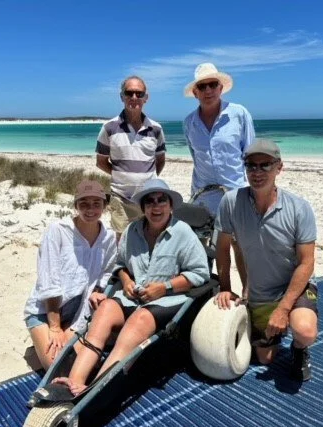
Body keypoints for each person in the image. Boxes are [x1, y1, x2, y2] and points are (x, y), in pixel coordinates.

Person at [54, 178, 210, 395]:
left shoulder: (183, 233)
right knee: (106, 308)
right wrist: (126, 281)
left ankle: (96, 388)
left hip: (168, 299)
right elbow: (120, 265)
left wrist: (164, 287)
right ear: (143, 207)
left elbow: (200, 274)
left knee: (140, 319)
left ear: (170, 205)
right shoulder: (132, 230)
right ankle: (74, 380)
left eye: (161, 201)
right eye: (150, 202)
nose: (156, 206)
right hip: (134, 295)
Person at [214, 139, 318, 381]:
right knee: (265, 359)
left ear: (279, 168)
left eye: (265, 166)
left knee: (305, 330)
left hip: (294, 286)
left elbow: (307, 263)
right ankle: (273, 328)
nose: (257, 172)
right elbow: (222, 249)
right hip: (261, 293)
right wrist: (226, 288)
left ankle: (299, 349)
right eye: (251, 166)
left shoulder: (299, 208)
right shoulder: (230, 202)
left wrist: (283, 309)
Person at [23, 180, 117, 370]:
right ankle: (43, 335)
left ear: (104, 207)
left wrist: (98, 291)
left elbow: (107, 271)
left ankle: (52, 341)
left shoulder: (108, 236)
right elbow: (49, 280)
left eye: (96, 204)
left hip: (79, 310)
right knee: (58, 366)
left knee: (85, 364)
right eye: (84, 204)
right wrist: (55, 327)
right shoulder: (58, 230)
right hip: (47, 310)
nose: (90, 209)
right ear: (75, 206)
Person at [183, 62, 255, 289]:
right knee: (208, 250)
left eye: (212, 85)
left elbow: (250, 156)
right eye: (202, 87)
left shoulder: (239, 114)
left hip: (236, 193)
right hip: (204, 197)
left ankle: (247, 296)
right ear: (195, 92)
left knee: (239, 246)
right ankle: (218, 295)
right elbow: (196, 157)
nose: (208, 91)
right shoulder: (189, 123)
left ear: (220, 87)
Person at [96, 75, 167, 238]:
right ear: (122, 97)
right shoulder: (109, 128)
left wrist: (147, 180)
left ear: (146, 98)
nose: (134, 97)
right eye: (129, 93)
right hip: (120, 199)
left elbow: (160, 160)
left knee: (149, 241)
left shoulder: (156, 129)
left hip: (149, 199)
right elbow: (101, 162)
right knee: (121, 244)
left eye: (139, 93)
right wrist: (121, 176)